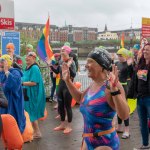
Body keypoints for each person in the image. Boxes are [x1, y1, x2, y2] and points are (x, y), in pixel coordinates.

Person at [61, 47, 129, 150]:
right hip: (88, 140)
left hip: (104, 143)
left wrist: (114, 91)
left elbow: (124, 115)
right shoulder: (94, 84)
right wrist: (67, 81)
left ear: (102, 66)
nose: (86, 65)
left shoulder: (111, 85)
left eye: (90, 62)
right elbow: (80, 98)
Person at [127, 43, 150, 149]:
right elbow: (134, 79)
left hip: (149, 98)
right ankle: (145, 145)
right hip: (140, 98)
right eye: (144, 49)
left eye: (148, 50)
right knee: (142, 124)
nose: (145, 51)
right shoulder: (140, 65)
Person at [50, 46, 76, 134]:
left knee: (68, 106)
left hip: (68, 85)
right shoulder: (61, 61)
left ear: (68, 52)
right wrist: (50, 66)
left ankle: (69, 126)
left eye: (63, 50)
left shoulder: (71, 62)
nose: (61, 51)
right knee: (60, 106)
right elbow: (57, 72)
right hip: (61, 84)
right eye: (61, 50)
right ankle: (62, 124)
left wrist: (67, 67)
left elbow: (74, 75)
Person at [22, 52, 46, 138]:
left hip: (32, 94)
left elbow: (34, 82)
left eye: (30, 57)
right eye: (27, 57)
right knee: (28, 112)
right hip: (26, 93)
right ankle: (33, 131)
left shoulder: (35, 68)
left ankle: (37, 132)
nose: (27, 58)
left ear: (34, 58)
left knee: (32, 113)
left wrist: (22, 83)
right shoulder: (26, 67)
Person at [0, 54, 26, 133]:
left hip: (13, 101)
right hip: (4, 102)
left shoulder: (15, 72)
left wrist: (7, 72)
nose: (0, 65)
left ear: (7, 63)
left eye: (2, 63)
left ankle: (16, 139)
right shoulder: (2, 72)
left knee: (14, 121)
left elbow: (14, 86)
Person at [115, 48, 132, 139]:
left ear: (125, 56)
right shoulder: (117, 63)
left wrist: (129, 65)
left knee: (124, 108)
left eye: (121, 55)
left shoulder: (128, 64)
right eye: (118, 55)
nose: (119, 57)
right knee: (118, 107)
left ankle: (127, 130)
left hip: (124, 88)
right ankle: (119, 127)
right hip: (116, 87)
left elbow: (131, 74)